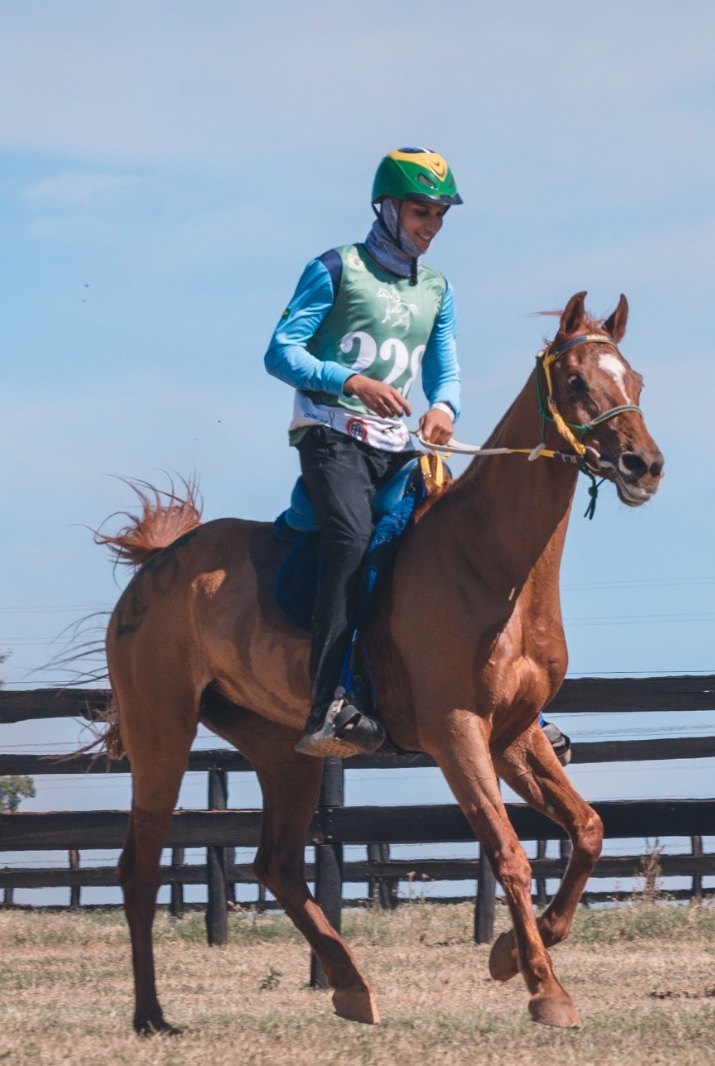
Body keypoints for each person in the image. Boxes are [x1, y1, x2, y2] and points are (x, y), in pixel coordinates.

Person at [264, 147, 463, 758]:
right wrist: (352, 383)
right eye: (420, 211)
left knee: (460, 534)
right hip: (329, 436)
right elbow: (280, 352)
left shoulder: (438, 289)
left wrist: (443, 409)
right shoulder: (334, 267)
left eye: (438, 214)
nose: (430, 225)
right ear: (388, 208)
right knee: (350, 537)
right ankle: (329, 703)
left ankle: (508, 703)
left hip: (397, 446)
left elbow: (445, 370)